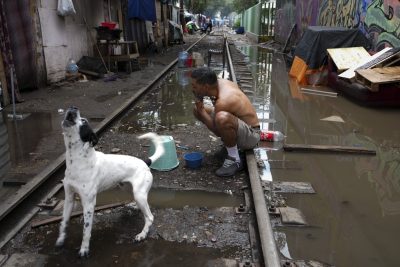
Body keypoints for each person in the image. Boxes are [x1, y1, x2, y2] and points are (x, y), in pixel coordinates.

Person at [191, 67, 260, 177]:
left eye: (195, 86)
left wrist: (202, 111)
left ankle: (234, 159)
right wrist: (200, 110)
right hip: (240, 125)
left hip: (252, 136)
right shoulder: (220, 83)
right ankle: (231, 146)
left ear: (205, 87)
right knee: (198, 110)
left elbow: (217, 131)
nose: (192, 89)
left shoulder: (224, 101)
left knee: (221, 118)